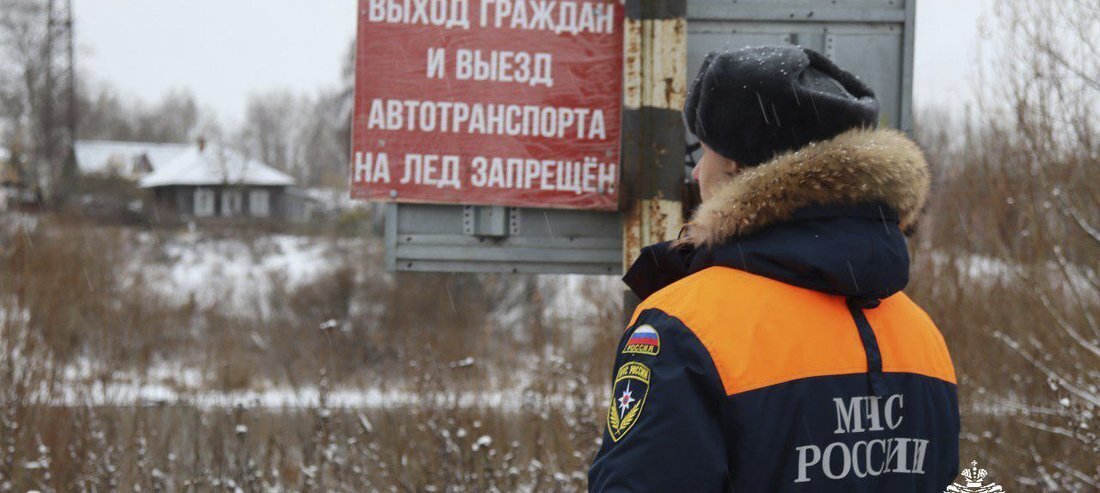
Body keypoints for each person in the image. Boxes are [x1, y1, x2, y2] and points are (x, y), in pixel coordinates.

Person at [588, 46, 960, 492]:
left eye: (702, 152)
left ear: (733, 164)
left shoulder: (684, 327)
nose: (695, 174)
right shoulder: (921, 334)